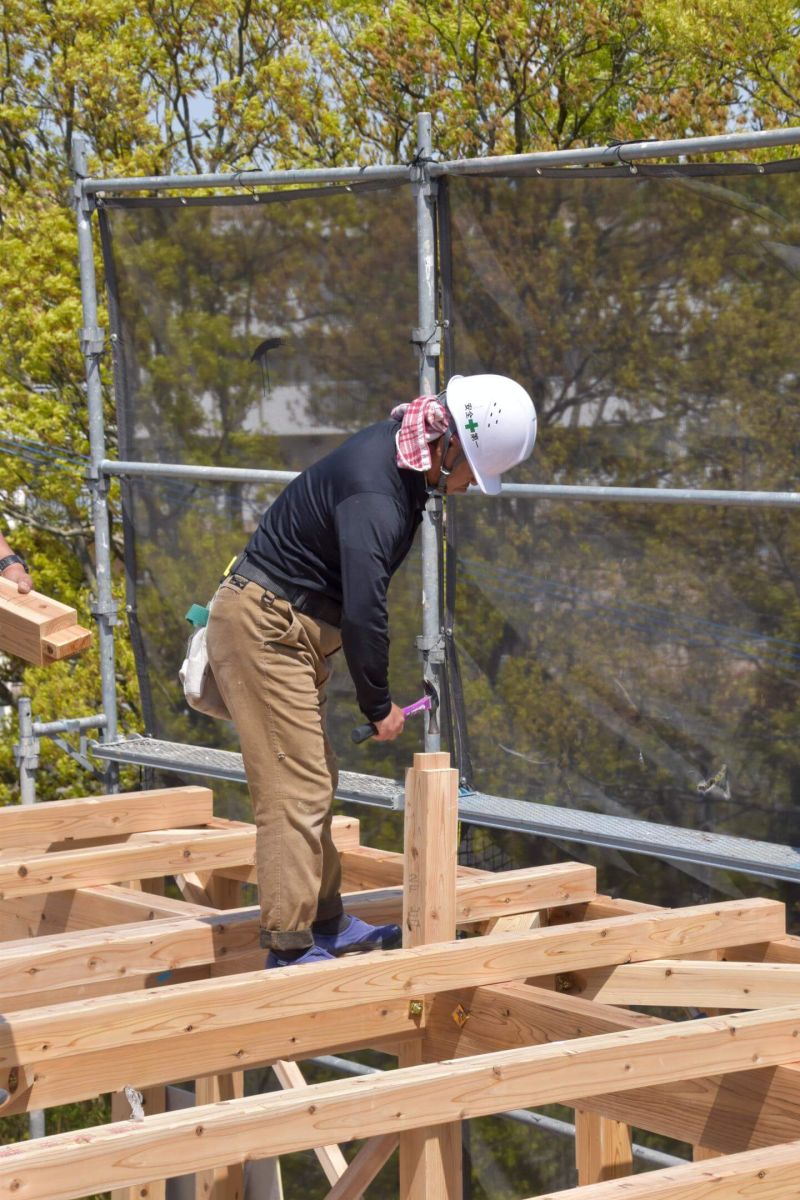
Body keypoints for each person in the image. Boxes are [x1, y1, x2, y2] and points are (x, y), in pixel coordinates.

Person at [206, 373, 537, 968]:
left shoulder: (401, 465)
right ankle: (288, 948)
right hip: (266, 626)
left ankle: (326, 922)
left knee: (314, 776)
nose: (465, 488)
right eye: (470, 473)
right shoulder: (376, 493)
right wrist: (378, 703)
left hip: (291, 627)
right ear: (450, 444)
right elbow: (365, 609)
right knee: (293, 786)